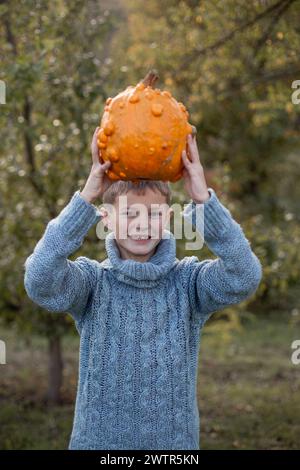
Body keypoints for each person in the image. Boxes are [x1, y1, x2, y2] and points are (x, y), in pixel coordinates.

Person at [24, 127, 262, 450]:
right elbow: (38, 280)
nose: (141, 224)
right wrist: (86, 197)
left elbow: (244, 276)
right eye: (129, 213)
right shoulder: (93, 284)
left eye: (152, 213)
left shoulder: (188, 284)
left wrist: (204, 201)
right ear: (105, 218)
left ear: (167, 216)